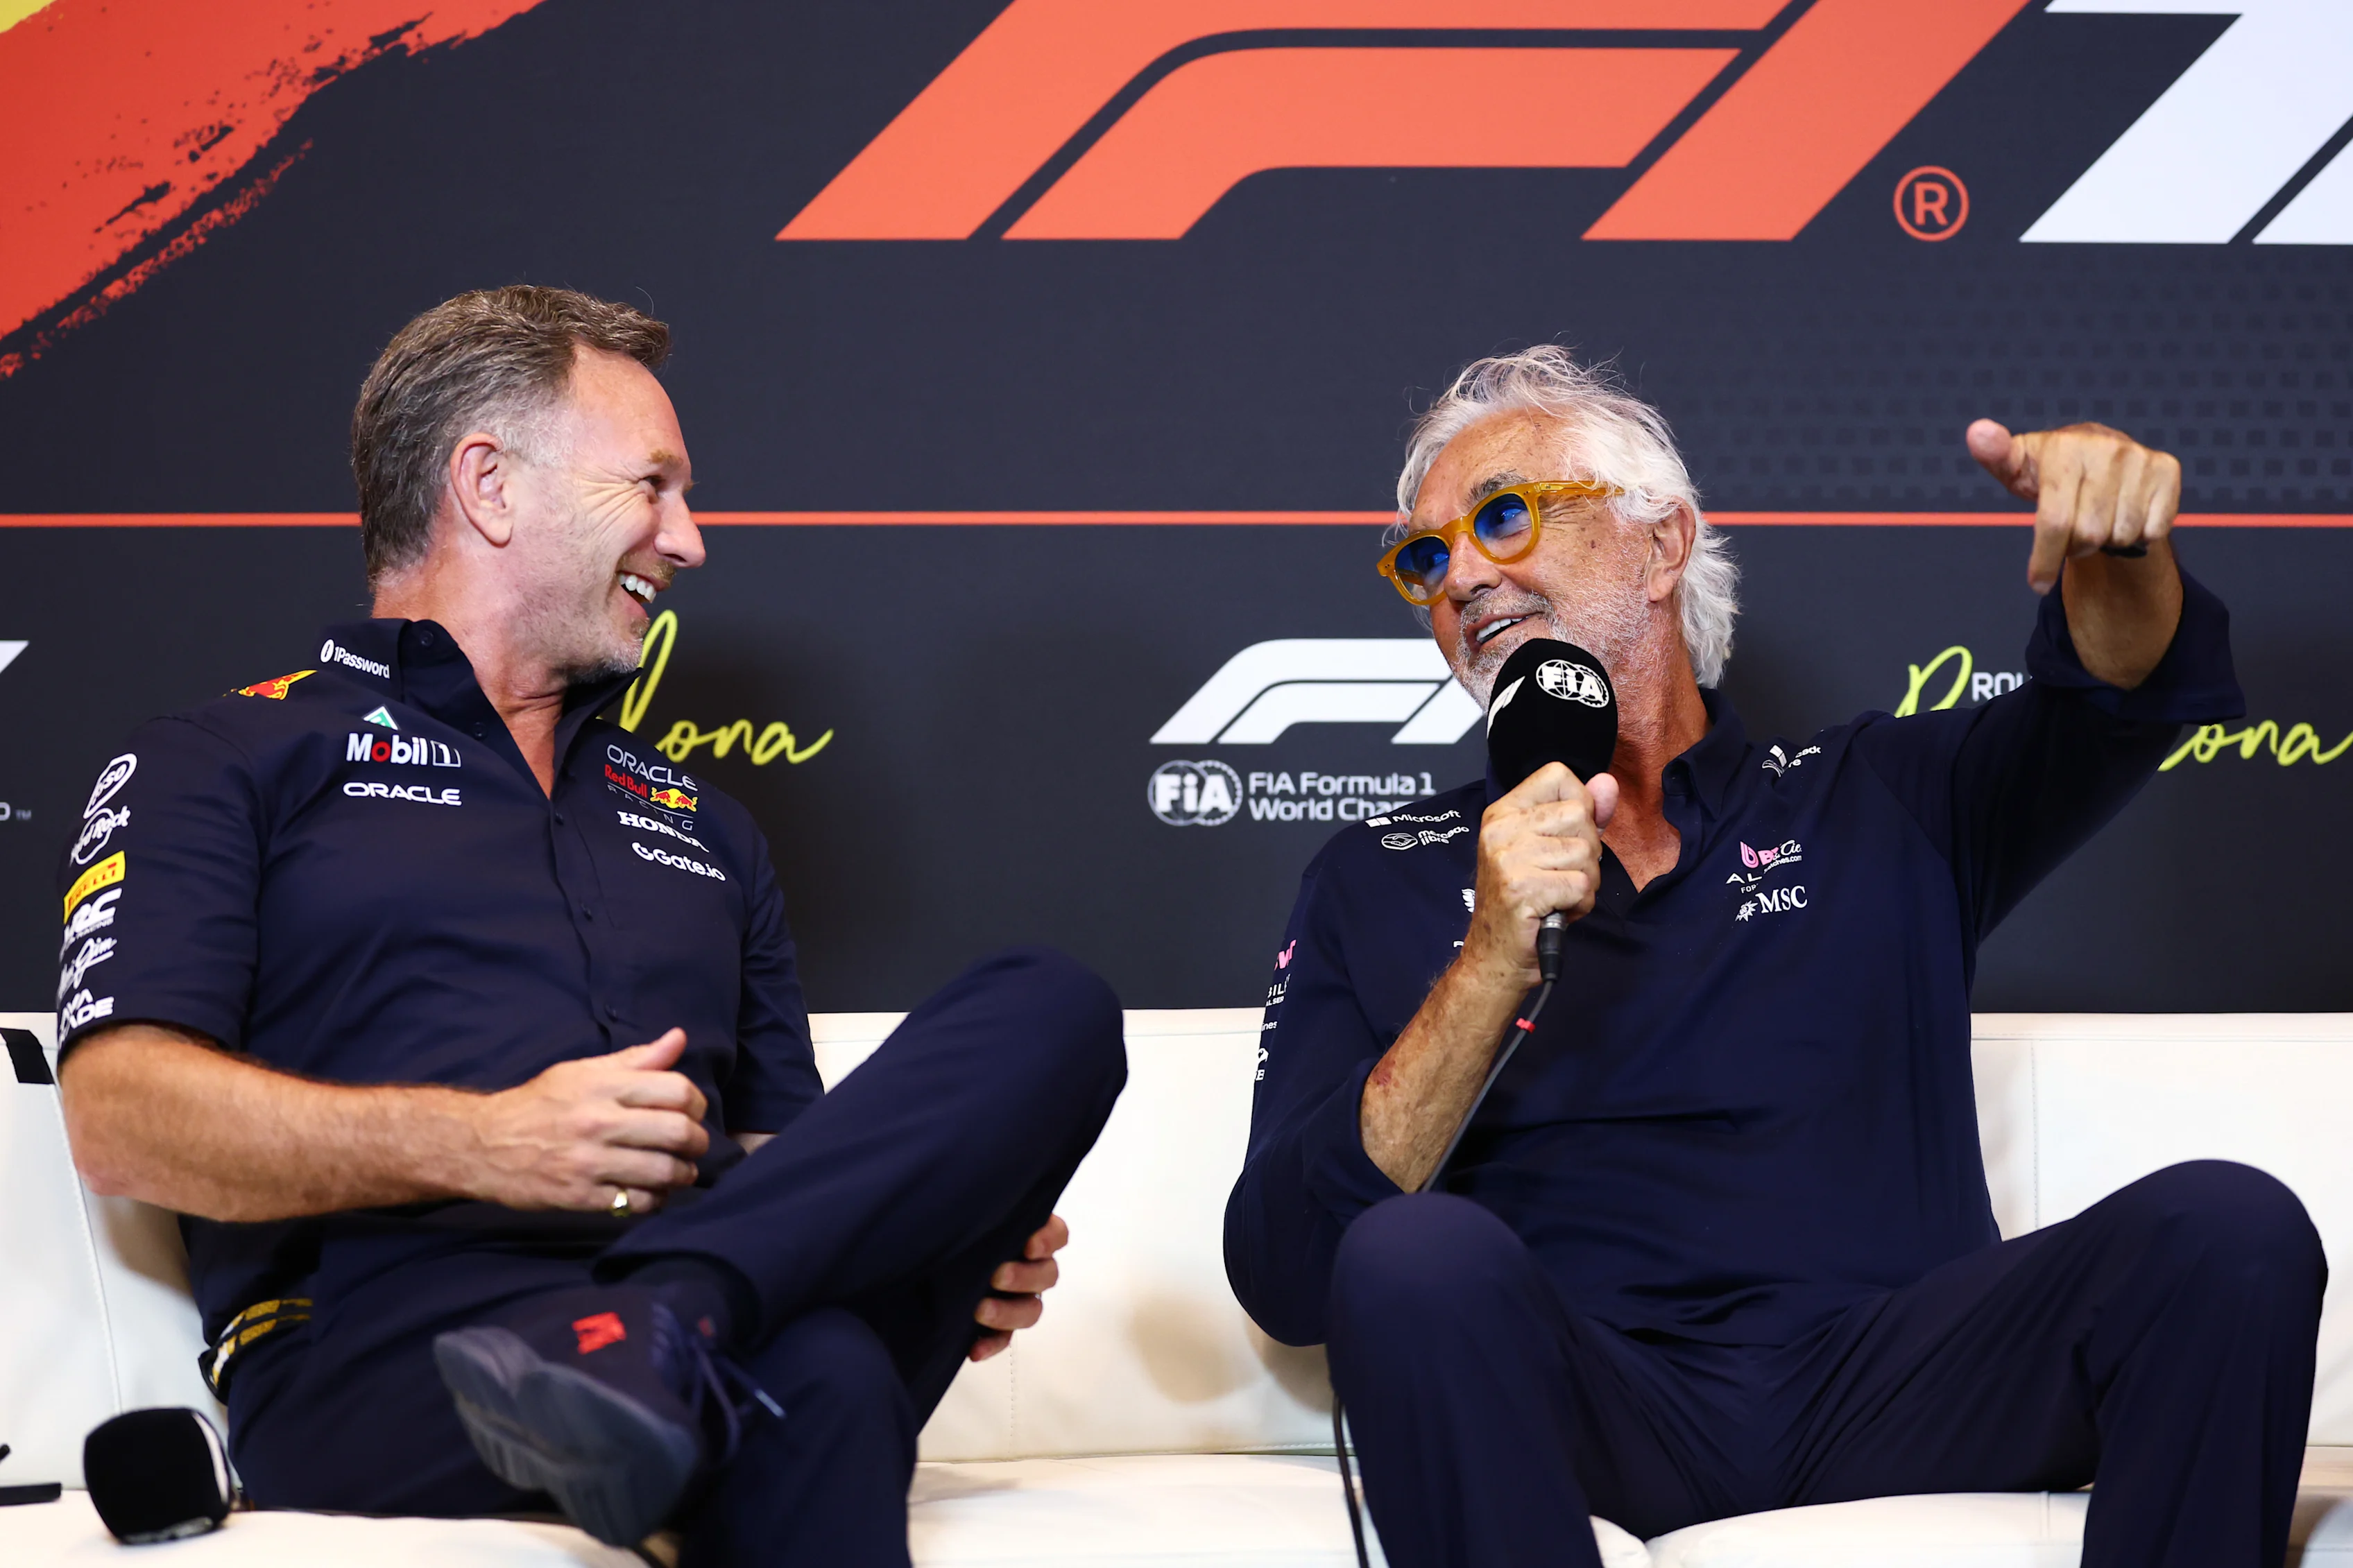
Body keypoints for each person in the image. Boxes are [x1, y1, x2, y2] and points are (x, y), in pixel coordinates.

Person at [54, 286, 1127, 1565]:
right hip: (393, 1349)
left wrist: (938, 1219)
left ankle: (664, 1323)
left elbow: (787, 1148)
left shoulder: (708, 825)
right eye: (654, 486)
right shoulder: (227, 758)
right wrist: (488, 1140)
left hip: (725, 1297)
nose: (690, 540)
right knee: (828, 1378)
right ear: (490, 487)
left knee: (1052, 1007)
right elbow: (118, 1118)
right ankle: (656, 1341)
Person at [1225, 347, 2323, 1568]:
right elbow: (1288, 1267)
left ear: (1662, 544)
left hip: (1896, 1385)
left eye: (1503, 516)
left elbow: (2120, 687)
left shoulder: (1881, 800)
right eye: (1427, 558)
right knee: (1409, 1256)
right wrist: (1490, 957)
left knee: (2232, 1230)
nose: (1463, 578)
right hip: (1592, 1403)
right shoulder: (1376, 874)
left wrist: (2117, 547)